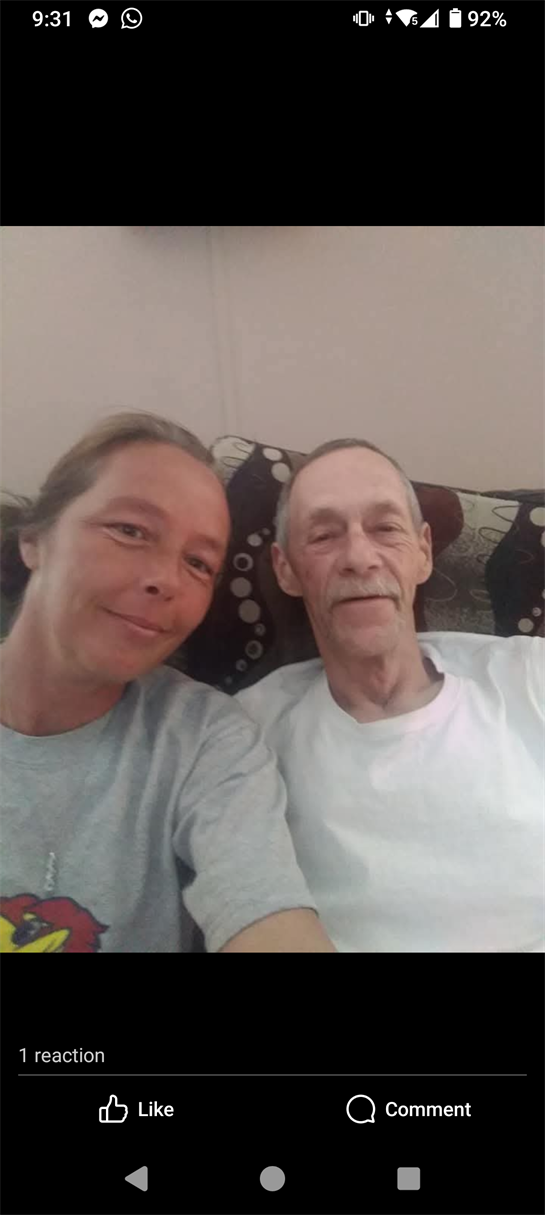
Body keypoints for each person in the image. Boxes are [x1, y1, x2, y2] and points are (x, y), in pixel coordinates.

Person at [0, 412, 335, 953]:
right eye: (130, 531)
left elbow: (263, 908)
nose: (164, 580)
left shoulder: (204, 740)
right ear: (35, 540)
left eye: (198, 563)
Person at [237, 439, 545, 952]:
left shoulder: (528, 676)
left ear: (423, 552)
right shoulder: (246, 734)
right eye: (324, 535)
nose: (360, 558)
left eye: (385, 528)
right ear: (285, 567)